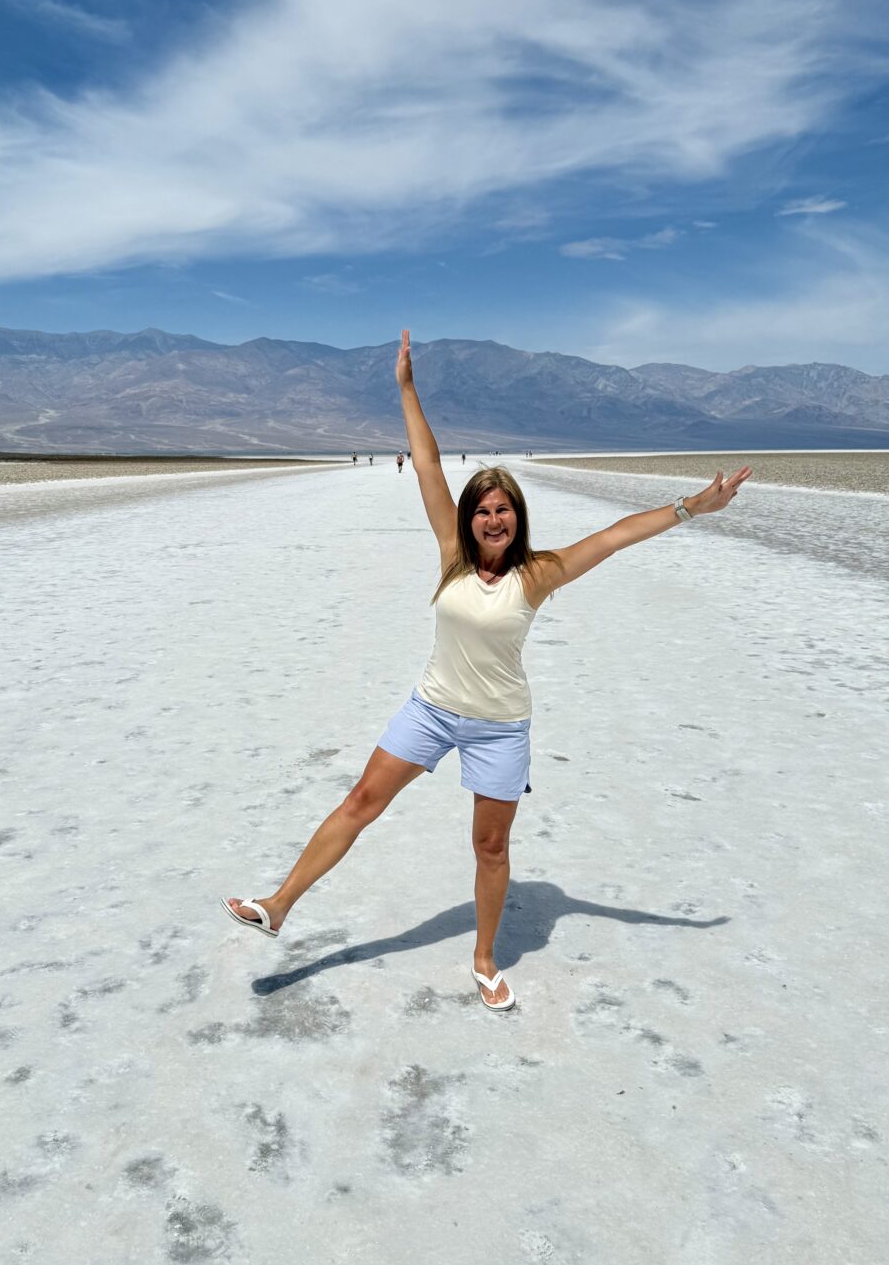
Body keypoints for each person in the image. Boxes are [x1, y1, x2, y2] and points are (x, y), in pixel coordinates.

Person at [222, 328, 752, 1010]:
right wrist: (408, 390)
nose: (491, 518)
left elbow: (615, 536)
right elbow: (427, 465)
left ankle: (483, 956)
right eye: (482, 510)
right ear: (469, 521)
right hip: (431, 708)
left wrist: (689, 508)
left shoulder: (538, 573)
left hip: (499, 727)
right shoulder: (451, 553)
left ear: (516, 517)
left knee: (490, 848)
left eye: (502, 509)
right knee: (360, 801)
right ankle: (279, 903)